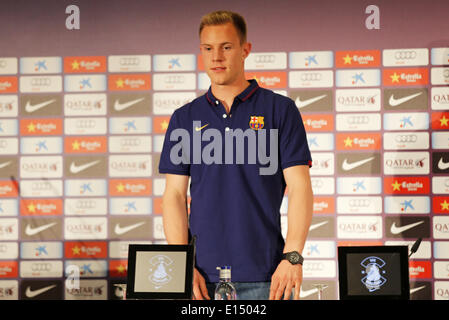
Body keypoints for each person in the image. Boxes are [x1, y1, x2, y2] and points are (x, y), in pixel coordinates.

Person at [159, 10, 313, 300]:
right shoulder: (184, 118)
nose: (216, 57)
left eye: (226, 47)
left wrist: (292, 257)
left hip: (267, 276)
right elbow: (174, 196)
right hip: (202, 278)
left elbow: (301, 186)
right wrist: (181, 265)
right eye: (208, 48)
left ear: (245, 50)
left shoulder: (280, 110)